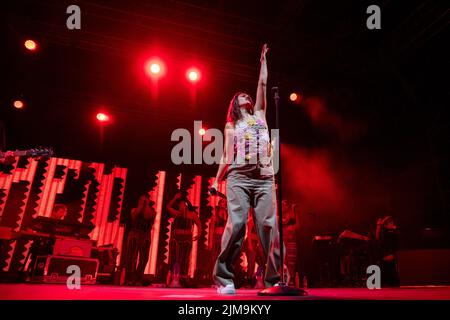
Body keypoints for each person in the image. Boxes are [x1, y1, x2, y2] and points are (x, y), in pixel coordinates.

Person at [212, 43, 283, 294]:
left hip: (264, 178)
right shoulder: (232, 126)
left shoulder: (261, 114)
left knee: (268, 226)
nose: (247, 96)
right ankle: (223, 279)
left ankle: (273, 280)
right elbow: (225, 155)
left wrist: (263, 61)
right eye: (242, 95)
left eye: (248, 95)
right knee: (238, 224)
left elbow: (263, 84)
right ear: (234, 103)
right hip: (239, 177)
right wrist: (215, 180)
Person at [166, 192, 203, 284]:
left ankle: (183, 278)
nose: (180, 206)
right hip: (176, 238)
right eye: (179, 204)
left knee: (185, 258)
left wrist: (199, 234)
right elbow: (168, 207)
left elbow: (199, 224)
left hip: (186, 239)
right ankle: (173, 278)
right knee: (175, 258)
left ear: (186, 205)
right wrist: (174, 198)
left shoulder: (192, 214)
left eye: (181, 204)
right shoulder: (176, 213)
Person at [123, 193, 156, 286]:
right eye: (142, 200)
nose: (144, 201)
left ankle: (138, 278)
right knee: (131, 257)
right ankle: (129, 278)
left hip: (145, 236)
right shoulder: (134, 210)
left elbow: (149, 217)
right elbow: (134, 216)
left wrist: (146, 205)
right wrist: (141, 206)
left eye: (146, 200)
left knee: (144, 258)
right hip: (134, 234)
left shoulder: (152, 212)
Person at [375, 215, 400, 287]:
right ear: (386, 224)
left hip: (390, 253)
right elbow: (378, 237)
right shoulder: (385, 231)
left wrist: (392, 254)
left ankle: (392, 284)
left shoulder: (393, 231)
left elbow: (395, 243)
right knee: (387, 270)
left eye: (392, 222)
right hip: (385, 253)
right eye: (390, 223)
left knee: (391, 270)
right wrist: (379, 225)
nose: (392, 224)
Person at [282, 200, 299, 285]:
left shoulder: (292, 214)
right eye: (282, 204)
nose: (283, 205)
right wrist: (292, 210)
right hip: (283, 242)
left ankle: (291, 279)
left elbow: (298, 225)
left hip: (292, 241)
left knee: (292, 261)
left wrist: (294, 212)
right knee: (284, 261)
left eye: (285, 204)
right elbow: (284, 221)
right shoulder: (279, 215)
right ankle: (284, 280)